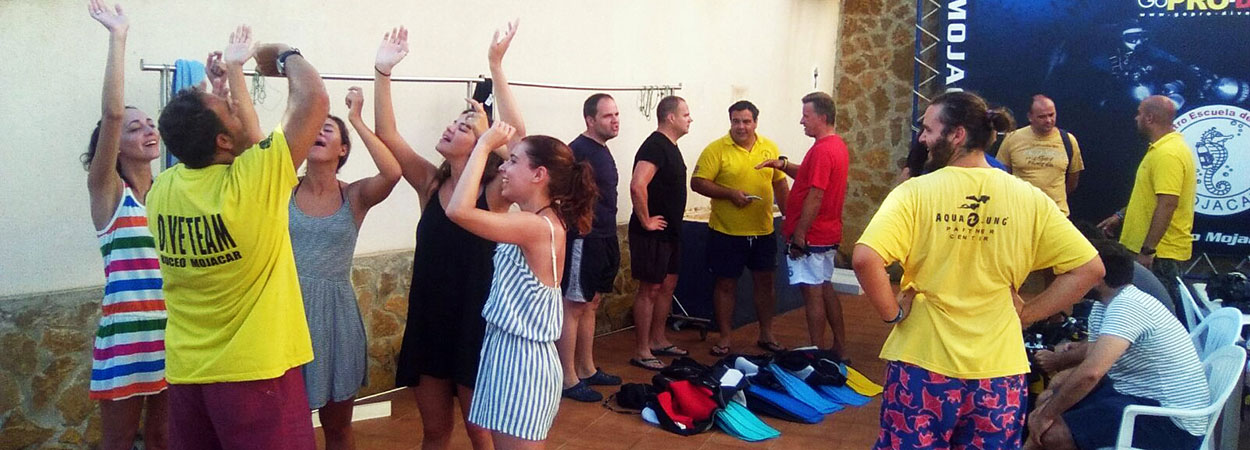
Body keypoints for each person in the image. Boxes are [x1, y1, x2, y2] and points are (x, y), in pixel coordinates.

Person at [852, 91, 1105, 449]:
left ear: (957, 135)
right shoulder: (1028, 197)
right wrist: (1029, 314)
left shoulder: (914, 193)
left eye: (929, 129)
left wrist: (892, 313)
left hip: (922, 364)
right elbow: (1090, 268)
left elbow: (865, 258)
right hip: (999, 371)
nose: (922, 139)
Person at [147, 21, 328, 448]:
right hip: (256, 374)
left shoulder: (163, 189)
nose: (235, 105)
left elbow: (235, 141)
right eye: (228, 109)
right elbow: (314, 99)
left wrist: (225, 82)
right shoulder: (253, 181)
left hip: (188, 373)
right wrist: (282, 53)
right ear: (223, 141)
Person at [379, 23, 521, 449]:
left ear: (483, 145)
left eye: (463, 127)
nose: (450, 128)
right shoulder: (430, 183)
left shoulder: (494, 192)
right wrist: (382, 72)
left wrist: (496, 66)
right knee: (435, 432)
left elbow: (520, 146)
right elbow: (388, 134)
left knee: (480, 433)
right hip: (431, 319)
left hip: (475, 322)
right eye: (453, 123)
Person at [448, 120, 598, 447]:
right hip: (508, 355)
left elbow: (458, 211)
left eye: (513, 161)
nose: (503, 167)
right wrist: (495, 76)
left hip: (523, 364)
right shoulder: (538, 218)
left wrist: (483, 145)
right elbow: (521, 138)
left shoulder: (536, 226)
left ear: (539, 174)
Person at [288, 86, 401, 450]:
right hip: (287, 313)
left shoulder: (353, 196)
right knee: (288, 426)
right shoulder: (283, 189)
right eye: (313, 128)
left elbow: (392, 172)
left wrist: (356, 119)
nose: (317, 132)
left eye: (327, 129)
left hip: (335, 318)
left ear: (343, 149)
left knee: (337, 427)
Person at [1025, 240, 1207, 450]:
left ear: (1098, 276)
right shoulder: (1105, 304)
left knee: (1052, 433)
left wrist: (1046, 415)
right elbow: (1090, 362)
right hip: (1135, 395)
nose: (1066, 277)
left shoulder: (1128, 307)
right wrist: (1052, 398)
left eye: (1073, 272)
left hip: (1171, 422)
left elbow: (1092, 373)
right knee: (1048, 401)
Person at [84, 2, 167, 448]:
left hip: (173, 335)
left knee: (164, 440)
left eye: (151, 124)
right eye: (135, 128)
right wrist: (118, 36)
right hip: (125, 342)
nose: (148, 130)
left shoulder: (171, 190)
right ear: (115, 144)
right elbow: (113, 114)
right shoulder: (109, 193)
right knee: (117, 444)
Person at [691, 100, 790, 357]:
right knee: (725, 285)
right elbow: (698, 182)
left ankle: (766, 334)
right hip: (726, 232)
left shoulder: (769, 147)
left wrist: (790, 218)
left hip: (763, 231)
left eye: (746, 121)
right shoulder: (716, 149)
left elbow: (780, 184)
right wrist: (730, 194)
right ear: (730, 122)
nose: (741, 126)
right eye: (736, 121)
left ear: (755, 122)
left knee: (765, 283)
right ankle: (725, 338)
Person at [757, 92, 849, 355]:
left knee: (812, 292)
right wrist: (783, 165)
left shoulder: (822, 150)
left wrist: (799, 234)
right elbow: (810, 176)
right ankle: (839, 347)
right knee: (825, 286)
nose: (801, 121)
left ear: (822, 117)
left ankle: (816, 351)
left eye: (806, 116)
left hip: (813, 235)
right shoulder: (835, 146)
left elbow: (816, 194)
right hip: (827, 232)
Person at [1098, 95, 1197, 317]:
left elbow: (1168, 204)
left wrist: (1148, 250)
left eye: (1139, 113)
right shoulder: (1162, 149)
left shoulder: (1168, 154)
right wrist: (1120, 216)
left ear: (1150, 118)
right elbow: (1150, 198)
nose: (1136, 118)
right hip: (1151, 251)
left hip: (1160, 254)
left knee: (1155, 315)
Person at [558, 93, 623, 402]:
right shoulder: (577, 151)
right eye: (608, 116)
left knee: (591, 302)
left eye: (616, 114)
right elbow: (560, 193)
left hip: (605, 237)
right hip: (584, 239)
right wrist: (577, 227)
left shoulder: (601, 150)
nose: (615, 120)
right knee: (573, 305)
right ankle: (567, 378)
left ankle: (586, 368)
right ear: (590, 120)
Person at [628, 95, 692, 371]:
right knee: (650, 288)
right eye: (686, 114)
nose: (690, 119)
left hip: (671, 231)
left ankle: (658, 339)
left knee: (668, 285)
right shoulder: (654, 146)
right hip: (653, 233)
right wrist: (646, 220)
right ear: (670, 117)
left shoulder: (671, 146)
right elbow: (637, 185)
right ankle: (642, 350)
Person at [997, 94, 1084, 216]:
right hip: (1021, 212)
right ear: (1030, 117)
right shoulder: (1012, 138)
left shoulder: (1068, 140)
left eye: (1051, 115)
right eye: (1042, 117)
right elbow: (1002, 175)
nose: (1048, 120)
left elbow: (1073, 180)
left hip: (1056, 213)